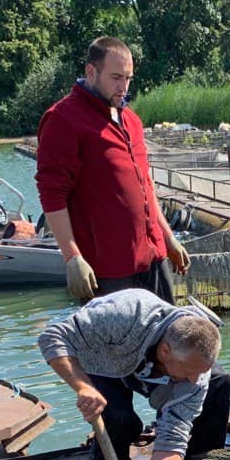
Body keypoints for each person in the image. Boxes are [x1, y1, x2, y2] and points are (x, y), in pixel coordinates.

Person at [38, 288, 229, 460]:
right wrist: (83, 386)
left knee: (217, 383)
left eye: (199, 373)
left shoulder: (196, 378)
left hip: (156, 371)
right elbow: (52, 337)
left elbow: (171, 441)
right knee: (118, 420)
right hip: (105, 360)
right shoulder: (123, 315)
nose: (194, 380)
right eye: (190, 372)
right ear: (165, 351)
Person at [36, 36, 190, 303]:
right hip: (108, 271)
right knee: (117, 344)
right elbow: (52, 194)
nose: (124, 87)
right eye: (116, 77)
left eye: (128, 78)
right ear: (91, 72)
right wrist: (72, 258)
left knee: (167, 342)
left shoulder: (131, 119)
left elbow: (145, 187)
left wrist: (168, 238)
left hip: (152, 259)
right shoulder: (63, 119)